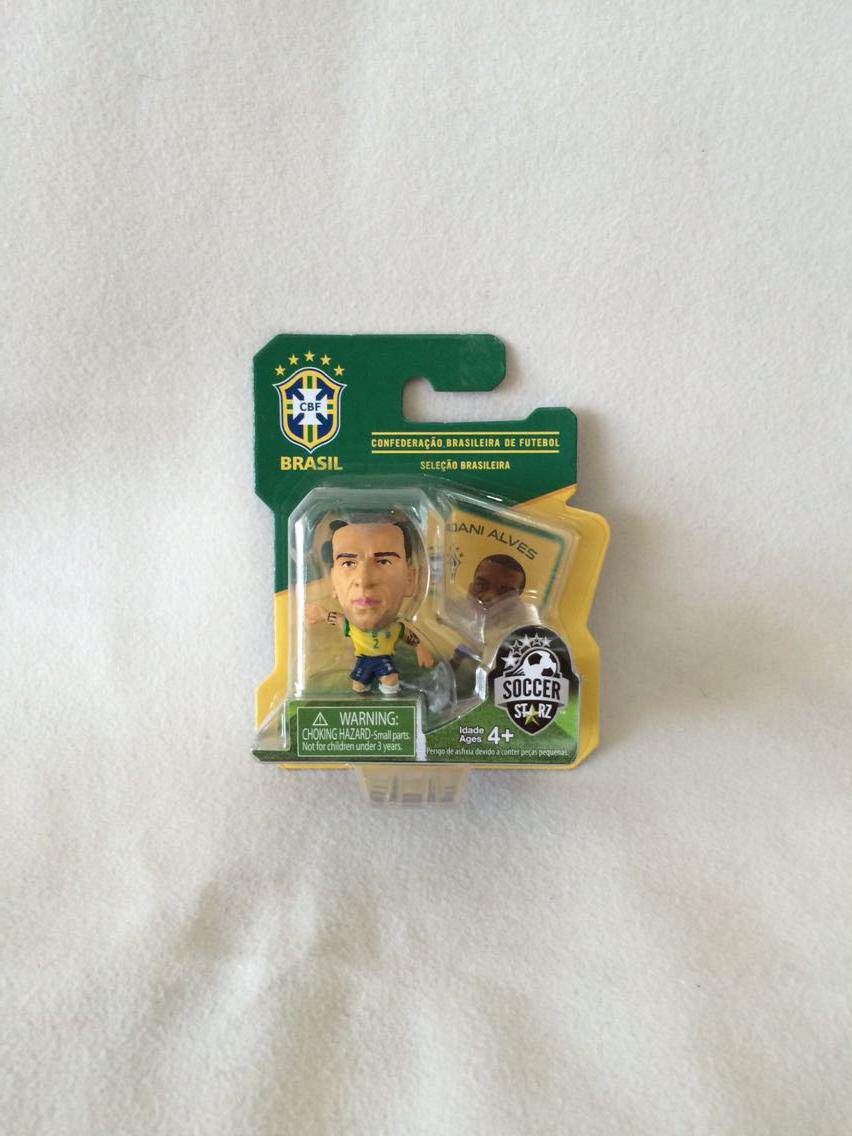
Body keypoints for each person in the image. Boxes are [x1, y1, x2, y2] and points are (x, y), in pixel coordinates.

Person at [306, 516, 434, 695]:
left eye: (384, 562)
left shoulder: (396, 628)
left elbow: (410, 637)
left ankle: (391, 702)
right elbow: (338, 620)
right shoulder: (353, 628)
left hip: (384, 661)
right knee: (358, 686)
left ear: (409, 579)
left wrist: (421, 649)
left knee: (390, 681)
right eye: (348, 563)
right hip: (363, 660)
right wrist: (321, 614)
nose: (364, 580)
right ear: (332, 582)